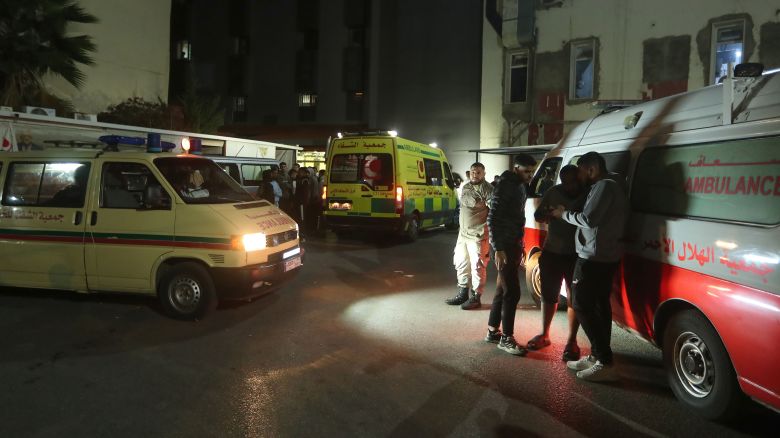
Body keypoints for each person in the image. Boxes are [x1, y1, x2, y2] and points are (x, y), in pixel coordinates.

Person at [550, 151, 628, 382]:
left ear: (591, 169)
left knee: (581, 305)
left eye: (581, 172)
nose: (579, 177)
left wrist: (563, 214)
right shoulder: (614, 184)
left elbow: (589, 219)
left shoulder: (604, 186)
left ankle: (604, 360)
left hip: (593, 257)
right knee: (599, 306)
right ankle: (597, 356)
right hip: (605, 255)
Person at [526, 165, 583, 360]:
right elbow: (537, 215)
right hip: (552, 251)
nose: (569, 187)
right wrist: (549, 213)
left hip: (577, 253)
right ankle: (544, 334)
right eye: (565, 182)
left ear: (579, 178)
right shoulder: (553, 191)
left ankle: (572, 341)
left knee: (574, 297)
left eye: (572, 182)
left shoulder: (587, 193)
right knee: (549, 295)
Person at [484, 154, 537, 356]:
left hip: (512, 244)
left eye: (532, 171)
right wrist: (498, 249)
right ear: (516, 168)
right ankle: (506, 338)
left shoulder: (519, 185)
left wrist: (520, 244)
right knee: (512, 292)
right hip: (504, 246)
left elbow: (516, 219)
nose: (530, 175)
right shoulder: (506, 186)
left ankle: (492, 331)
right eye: (526, 171)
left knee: (501, 288)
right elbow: (492, 218)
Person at [446, 162, 494, 310]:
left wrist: (492, 234)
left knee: (477, 266)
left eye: (478, 172)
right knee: (460, 262)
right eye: (473, 171)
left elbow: (494, 212)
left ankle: (476, 296)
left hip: (478, 235)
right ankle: (463, 293)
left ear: (484, 174)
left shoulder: (488, 189)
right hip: (463, 234)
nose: (475, 174)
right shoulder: (466, 186)